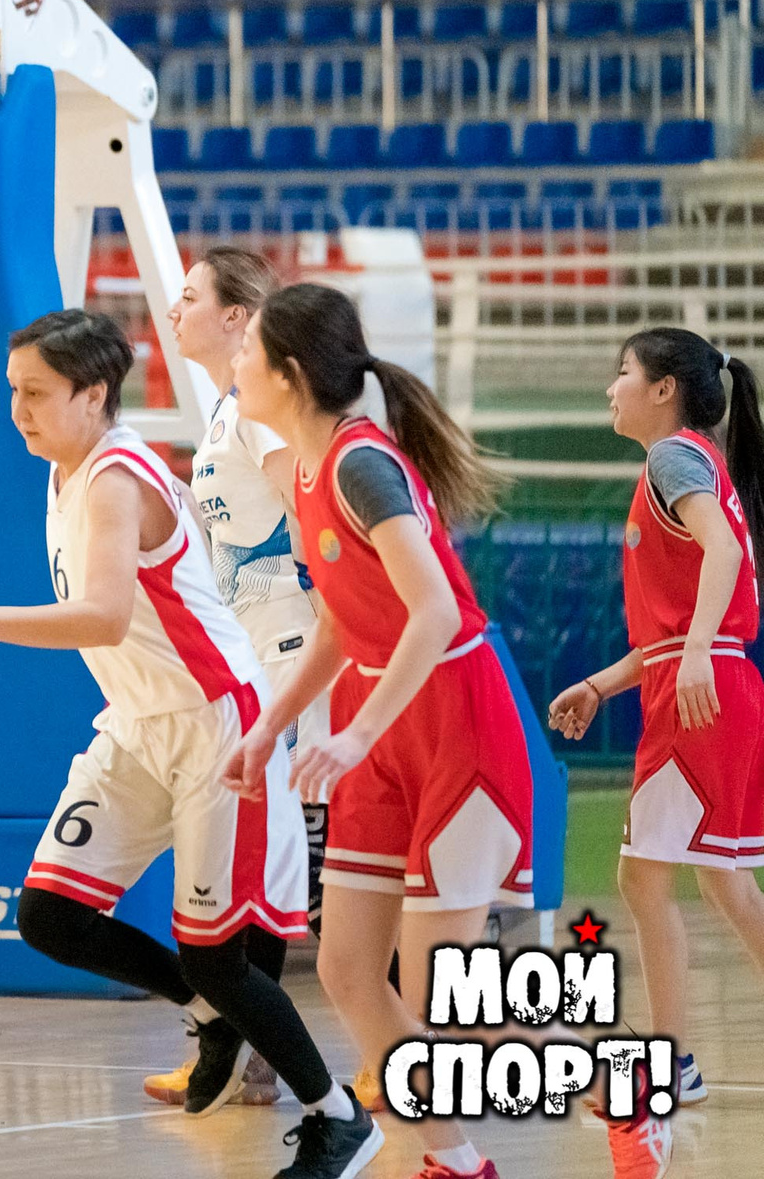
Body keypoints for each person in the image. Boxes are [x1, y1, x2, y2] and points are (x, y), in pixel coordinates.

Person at [0, 310, 373, 1179]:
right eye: (12, 391)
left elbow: (105, 616)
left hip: (217, 723)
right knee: (50, 914)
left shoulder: (113, 477)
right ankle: (211, 1014)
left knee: (218, 955)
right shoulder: (69, 467)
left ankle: (337, 1116)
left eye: (34, 393)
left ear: (93, 394)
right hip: (141, 723)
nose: (18, 409)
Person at [223, 283, 528, 1179]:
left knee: (450, 992)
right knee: (354, 969)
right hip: (379, 720)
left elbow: (432, 609)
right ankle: (458, 1160)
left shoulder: (363, 465)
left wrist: (352, 738)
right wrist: (273, 727)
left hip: (453, 714)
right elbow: (335, 624)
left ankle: (616, 1089)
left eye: (249, 352)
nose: (237, 363)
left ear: (287, 372)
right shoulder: (301, 468)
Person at [547, 328, 764, 1179]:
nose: (611, 386)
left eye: (624, 373)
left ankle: (671, 1059)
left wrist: (703, 647)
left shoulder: (675, 459)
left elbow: (724, 554)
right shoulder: (688, 461)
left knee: (644, 879)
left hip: (699, 692)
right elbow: (673, 630)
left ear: (666, 387)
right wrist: (603, 684)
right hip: (709, 682)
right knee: (723, 881)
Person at [151, 248, 321, 1110]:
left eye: (188, 297)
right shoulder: (228, 410)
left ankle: (359, 1059)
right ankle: (253, 1052)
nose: (170, 310)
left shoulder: (261, 416)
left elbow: (317, 515)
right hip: (257, 655)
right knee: (267, 864)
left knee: (304, 867)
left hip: (297, 655)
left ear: (236, 317)